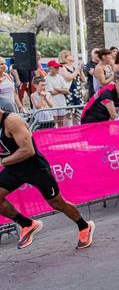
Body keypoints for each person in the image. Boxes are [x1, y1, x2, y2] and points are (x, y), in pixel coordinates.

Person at [0, 106, 95, 250]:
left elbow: (28, 150)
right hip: (14, 170)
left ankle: (84, 226)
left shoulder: (11, 121)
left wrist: (2, 161)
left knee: (57, 203)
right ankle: (27, 224)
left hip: (35, 168)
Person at [44, 60, 69, 127]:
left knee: (61, 121)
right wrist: (61, 90)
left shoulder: (60, 77)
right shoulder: (46, 78)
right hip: (53, 103)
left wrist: (57, 88)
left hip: (61, 102)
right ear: (50, 68)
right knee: (54, 121)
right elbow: (52, 92)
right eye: (56, 67)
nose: (57, 69)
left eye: (58, 67)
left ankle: (60, 135)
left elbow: (67, 91)